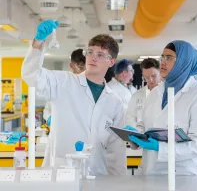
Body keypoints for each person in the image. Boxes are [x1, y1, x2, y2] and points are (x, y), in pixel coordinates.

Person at [22, 20, 126, 175]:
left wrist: (118, 182)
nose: (93, 58)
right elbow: (32, 76)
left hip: (97, 175)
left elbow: (116, 149)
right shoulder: (63, 82)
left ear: (111, 62)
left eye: (100, 55)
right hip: (60, 173)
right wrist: (38, 42)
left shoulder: (114, 102)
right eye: (90, 52)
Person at [128, 41, 197, 175]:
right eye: (162, 57)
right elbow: (144, 126)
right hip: (150, 171)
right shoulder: (156, 92)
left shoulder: (196, 95)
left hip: (183, 175)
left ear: (184, 62)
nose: (163, 62)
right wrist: (135, 135)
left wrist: (160, 148)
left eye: (169, 58)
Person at [43, 48, 86, 124]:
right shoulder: (60, 83)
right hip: (61, 128)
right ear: (71, 66)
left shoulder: (92, 86)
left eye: (85, 68)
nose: (82, 72)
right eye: (80, 68)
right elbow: (47, 109)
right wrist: (49, 118)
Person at [126, 58, 161, 129]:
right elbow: (130, 117)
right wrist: (138, 134)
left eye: (154, 76)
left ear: (160, 73)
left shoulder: (167, 93)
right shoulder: (137, 95)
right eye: (147, 77)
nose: (150, 80)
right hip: (141, 136)